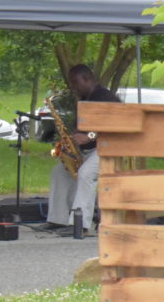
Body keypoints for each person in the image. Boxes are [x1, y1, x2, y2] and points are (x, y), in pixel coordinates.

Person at [42, 63, 120, 233]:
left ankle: (81, 224)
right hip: (89, 151)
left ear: (86, 78)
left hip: (109, 149)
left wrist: (90, 136)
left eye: (75, 83)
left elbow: (117, 128)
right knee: (59, 172)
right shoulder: (85, 100)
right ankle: (58, 219)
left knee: (85, 174)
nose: (73, 87)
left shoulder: (106, 98)